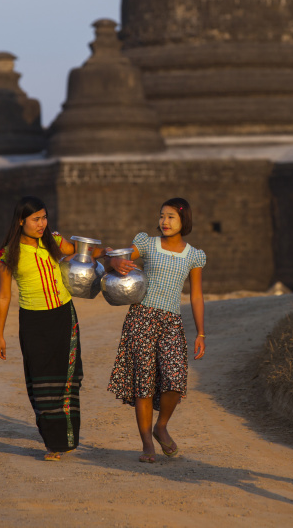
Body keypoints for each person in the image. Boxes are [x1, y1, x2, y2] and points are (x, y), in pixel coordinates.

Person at [0, 195, 105, 461]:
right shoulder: (7, 255)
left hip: (63, 316)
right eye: (36, 219)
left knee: (67, 379)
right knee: (41, 381)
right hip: (33, 322)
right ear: (21, 221)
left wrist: (114, 257)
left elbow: (84, 253)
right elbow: (4, 296)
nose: (42, 224)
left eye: (44, 218)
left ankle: (65, 441)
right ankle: (52, 442)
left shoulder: (53, 241)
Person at [107, 197, 206, 463]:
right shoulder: (147, 244)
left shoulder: (194, 255)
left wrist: (201, 333)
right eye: (162, 216)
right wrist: (116, 262)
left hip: (172, 322)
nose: (164, 221)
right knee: (144, 384)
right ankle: (147, 444)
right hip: (142, 317)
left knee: (175, 379)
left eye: (171, 216)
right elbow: (119, 260)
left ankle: (160, 426)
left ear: (184, 220)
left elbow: (196, 296)